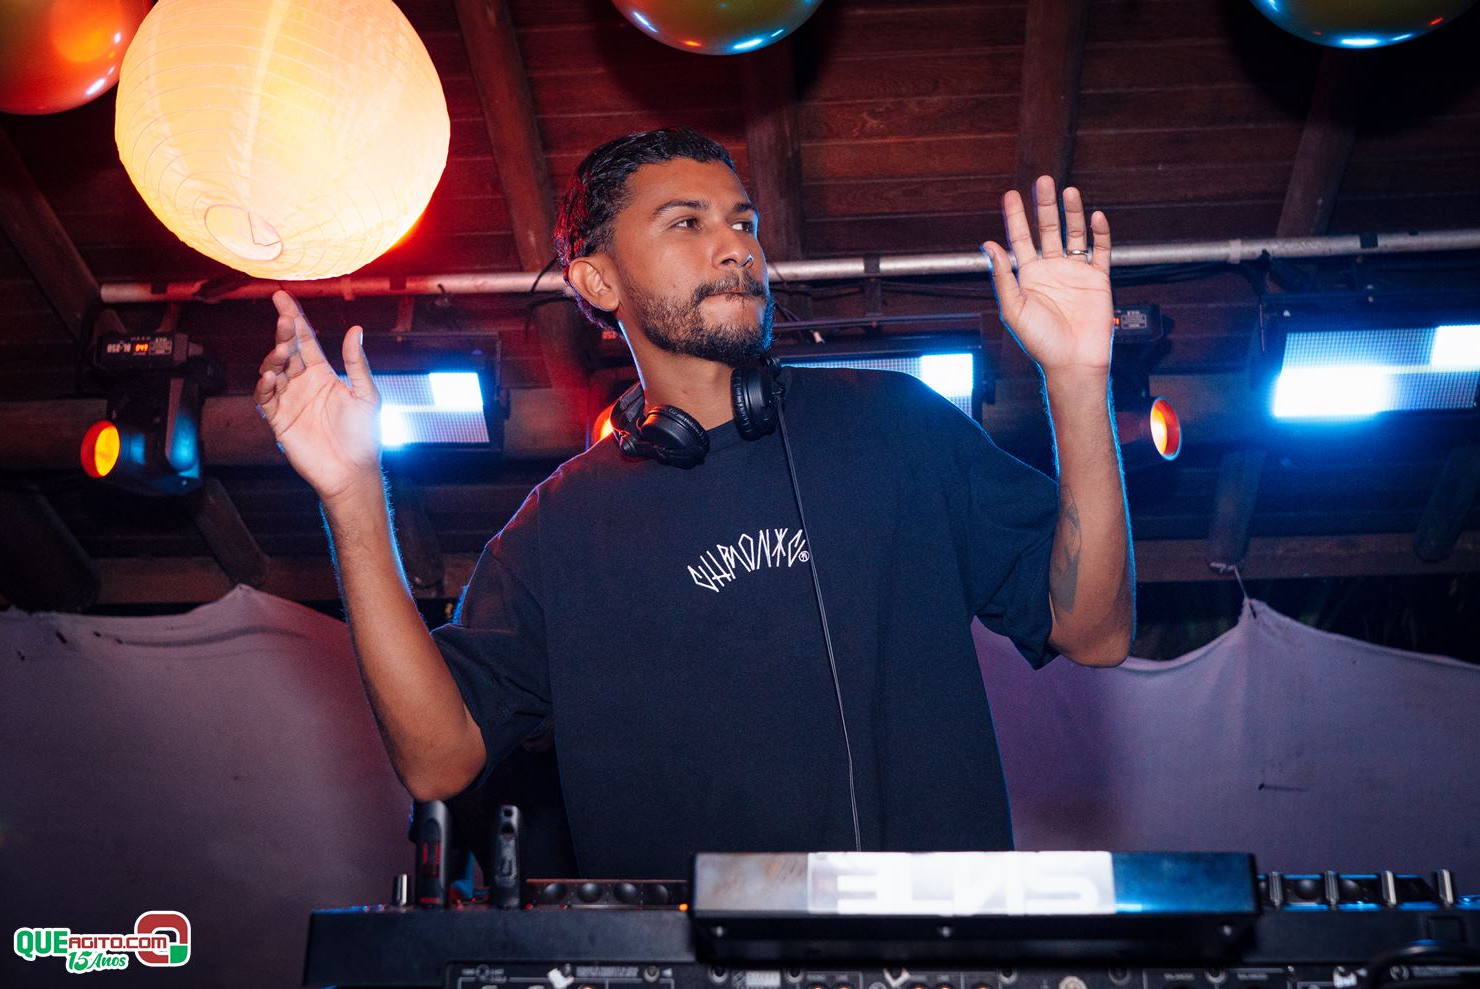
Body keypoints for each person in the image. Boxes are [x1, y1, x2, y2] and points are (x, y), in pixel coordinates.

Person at [254, 128, 1134, 879]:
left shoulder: (896, 425)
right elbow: (439, 759)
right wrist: (353, 496)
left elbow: (1094, 628)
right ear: (598, 282)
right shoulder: (554, 531)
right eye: (688, 222)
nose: (738, 246)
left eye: (742, 222)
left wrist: (1076, 378)